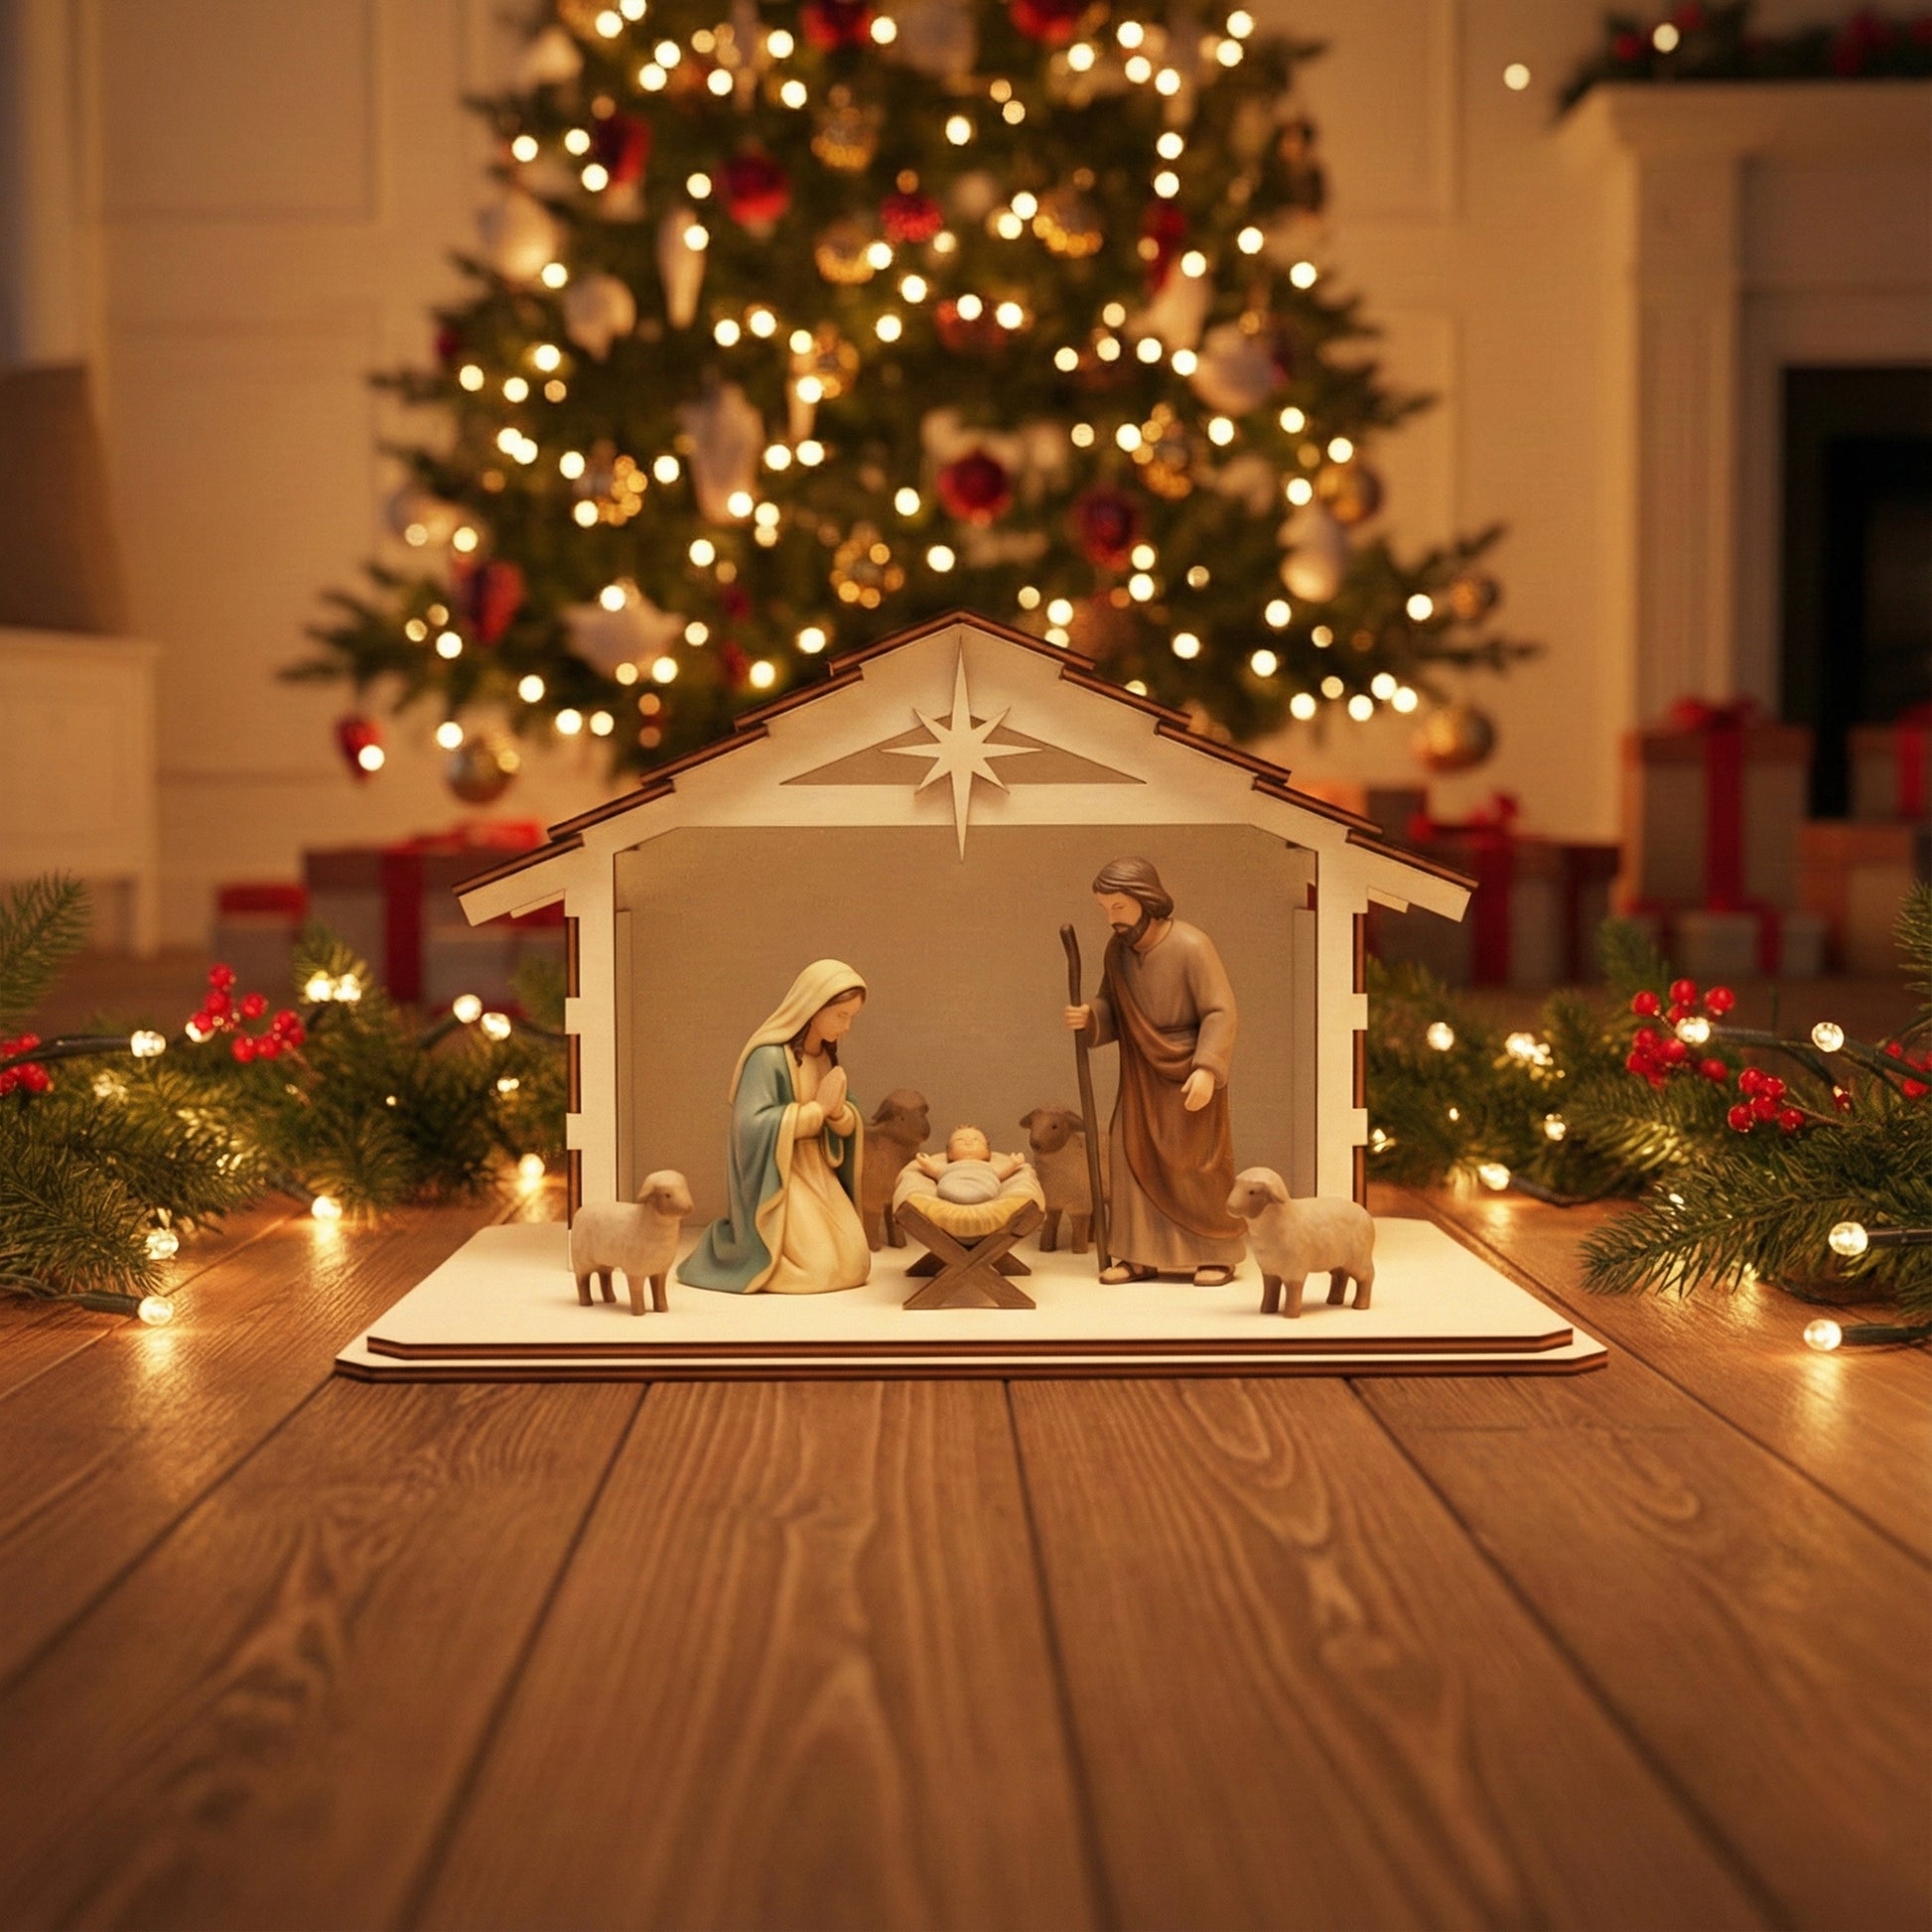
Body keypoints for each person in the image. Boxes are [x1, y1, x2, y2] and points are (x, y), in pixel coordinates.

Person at [1063, 858, 1247, 1286]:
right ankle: (1138, 1255)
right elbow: (1113, 1005)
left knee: (1198, 1165)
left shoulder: (1191, 945)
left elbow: (1220, 1012)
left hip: (1188, 1071)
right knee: (1129, 1156)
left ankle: (1215, 1252)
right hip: (1141, 1073)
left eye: (1119, 907)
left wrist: (1206, 1067)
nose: (1112, 919)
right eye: (1105, 909)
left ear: (1145, 901)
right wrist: (1090, 1016)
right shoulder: (1118, 954)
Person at [678, 959, 871, 1295]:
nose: (847, 1027)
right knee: (819, 1270)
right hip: (782, 1177)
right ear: (814, 1007)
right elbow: (749, 1126)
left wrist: (838, 1114)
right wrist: (816, 1112)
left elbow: (845, 1114)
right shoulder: (768, 1057)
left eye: (851, 1018)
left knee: (856, 1263)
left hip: (818, 1170)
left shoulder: (826, 1057)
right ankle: (747, 1255)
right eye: (841, 1016)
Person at [914, 1125, 1029, 1203]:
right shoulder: (950, 1167)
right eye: (959, 1140)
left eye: (976, 1140)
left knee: (988, 1185)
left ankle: (975, 1195)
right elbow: (936, 1171)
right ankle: (958, 1194)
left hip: (985, 1187)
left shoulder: (987, 1167)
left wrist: (1013, 1163)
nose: (968, 1142)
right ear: (949, 1152)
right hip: (951, 1185)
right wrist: (926, 1163)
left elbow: (1000, 1173)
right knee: (949, 1186)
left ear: (987, 1151)